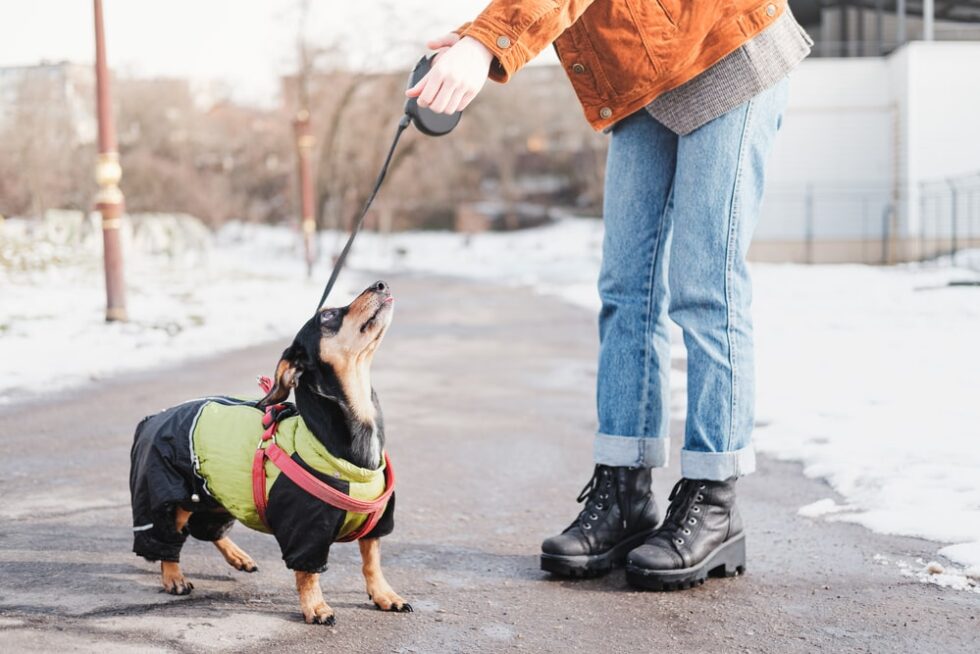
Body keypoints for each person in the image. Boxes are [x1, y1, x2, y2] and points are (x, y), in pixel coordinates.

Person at [408, 1, 811, 590]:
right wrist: (479, 35)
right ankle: (624, 492)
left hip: (724, 42)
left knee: (706, 286)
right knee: (627, 290)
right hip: (639, 74)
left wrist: (487, 44)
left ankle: (715, 498)